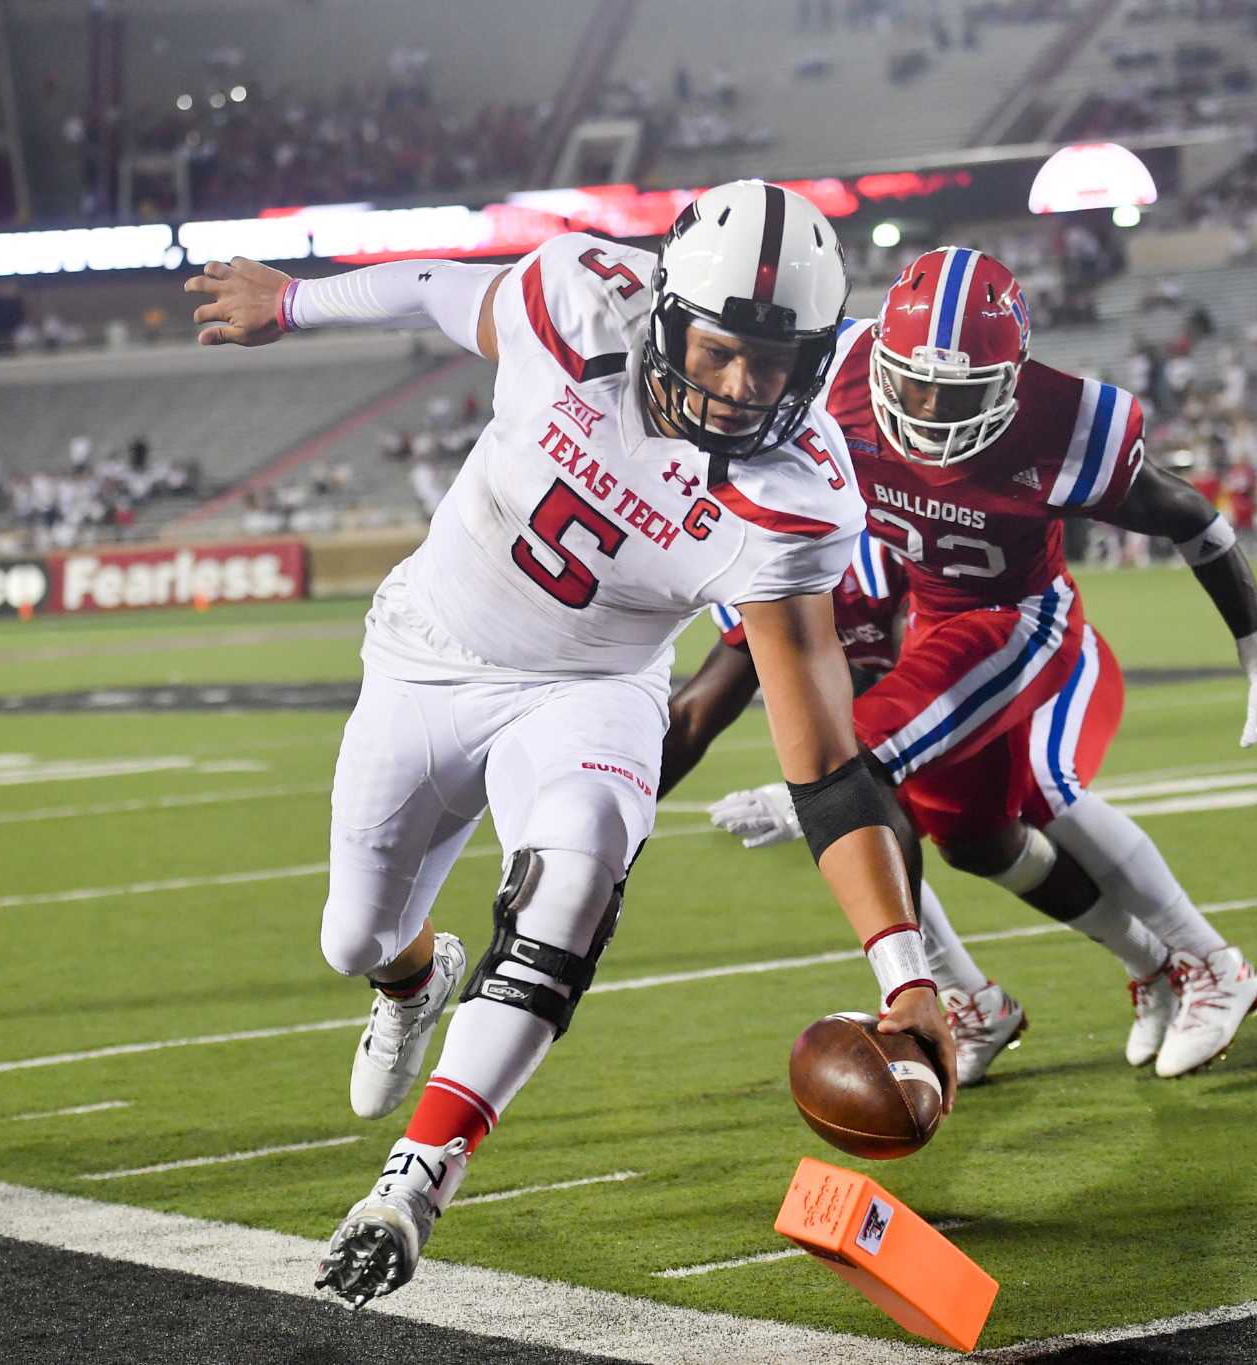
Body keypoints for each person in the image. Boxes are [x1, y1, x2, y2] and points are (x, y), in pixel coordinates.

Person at [185, 180, 956, 1308]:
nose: (744, 389)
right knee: (354, 935)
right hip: (427, 651)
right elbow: (429, 287)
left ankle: (411, 1185)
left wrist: (906, 972)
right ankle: (412, 979)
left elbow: (825, 766)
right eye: (721, 349)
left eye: (776, 363)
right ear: (663, 313)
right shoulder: (571, 302)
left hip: (591, 688)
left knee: (578, 867)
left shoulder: (795, 501)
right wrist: (294, 306)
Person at [717, 247, 1257, 1079]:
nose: (927, 410)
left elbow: (1193, 517)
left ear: (1010, 379)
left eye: (956, 394)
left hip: (1019, 620)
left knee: (878, 772)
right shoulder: (835, 372)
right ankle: (1119, 972)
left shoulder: (1065, 422)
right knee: (963, 831)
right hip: (929, 617)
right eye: (914, 384)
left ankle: (1208, 962)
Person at [661, 531, 1033, 1085]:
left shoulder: (879, 555)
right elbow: (693, 716)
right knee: (858, 829)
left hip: (988, 663)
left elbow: (921, 694)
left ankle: (1180, 955)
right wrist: (618, 803)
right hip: (896, 702)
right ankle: (973, 1001)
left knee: (1026, 816)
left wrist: (827, 787)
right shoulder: (757, 572)